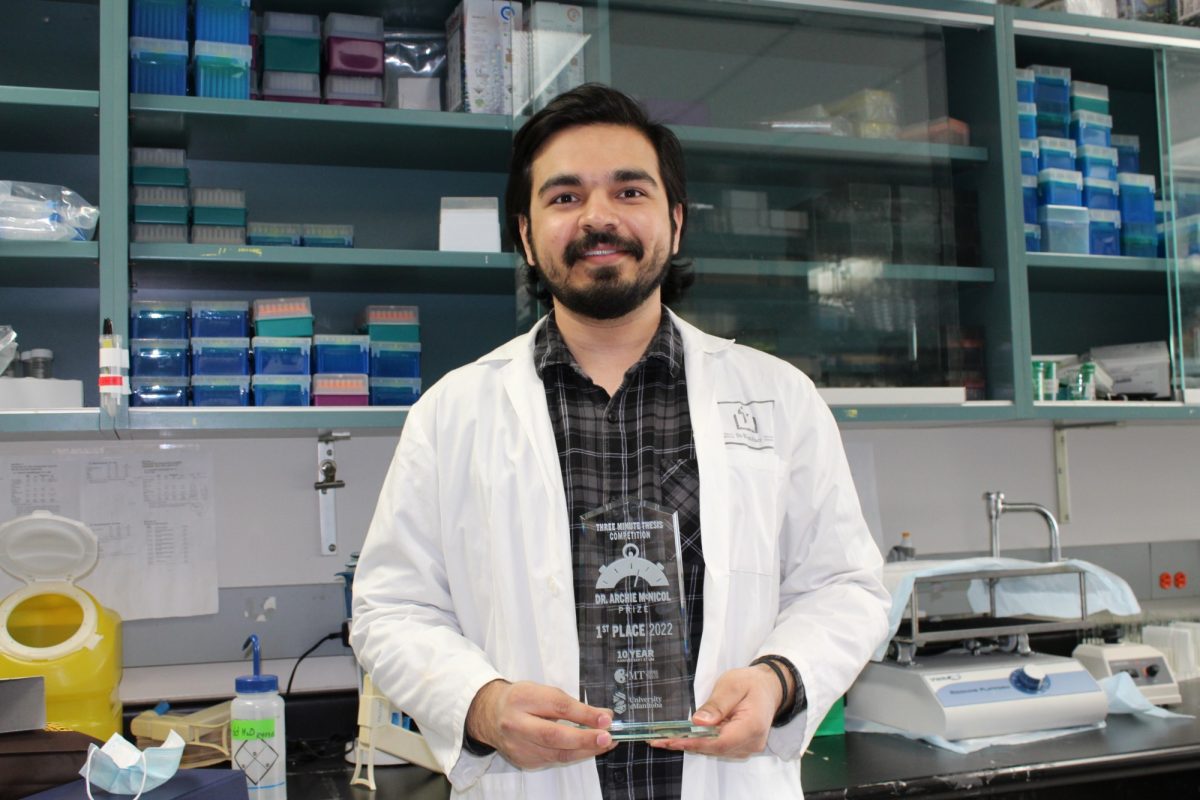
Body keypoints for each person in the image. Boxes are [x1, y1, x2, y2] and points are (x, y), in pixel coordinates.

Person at [351, 83, 891, 799]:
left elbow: (845, 587)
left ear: (674, 220)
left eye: (629, 192)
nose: (598, 218)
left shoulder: (778, 397)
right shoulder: (452, 413)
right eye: (564, 197)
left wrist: (779, 680)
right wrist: (481, 705)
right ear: (524, 232)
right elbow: (392, 608)